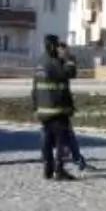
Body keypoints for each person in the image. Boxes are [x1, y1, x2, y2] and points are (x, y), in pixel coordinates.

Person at [33, 35, 78, 181]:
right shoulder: (55, 63)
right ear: (53, 47)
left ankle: (48, 168)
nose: (60, 48)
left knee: (47, 139)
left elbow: (34, 89)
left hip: (44, 110)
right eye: (58, 45)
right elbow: (70, 73)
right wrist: (69, 57)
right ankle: (59, 170)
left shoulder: (40, 63)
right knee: (61, 141)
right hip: (57, 109)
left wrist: (36, 107)